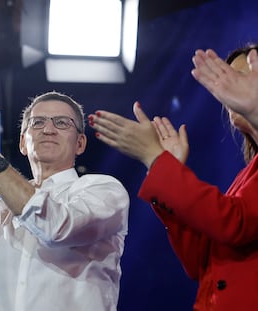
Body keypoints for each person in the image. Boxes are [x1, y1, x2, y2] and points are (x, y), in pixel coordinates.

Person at [87, 44, 258, 311]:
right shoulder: (247, 174)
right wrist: (167, 169)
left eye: (243, 77)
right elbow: (198, 261)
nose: (230, 89)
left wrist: (158, 161)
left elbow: (234, 223)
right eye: (228, 78)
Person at [0, 90, 130, 311]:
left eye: (62, 123)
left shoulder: (104, 190)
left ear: (80, 143)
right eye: (37, 122)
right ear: (23, 143)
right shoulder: (2, 209)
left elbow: (56, 228)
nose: (48, 129)